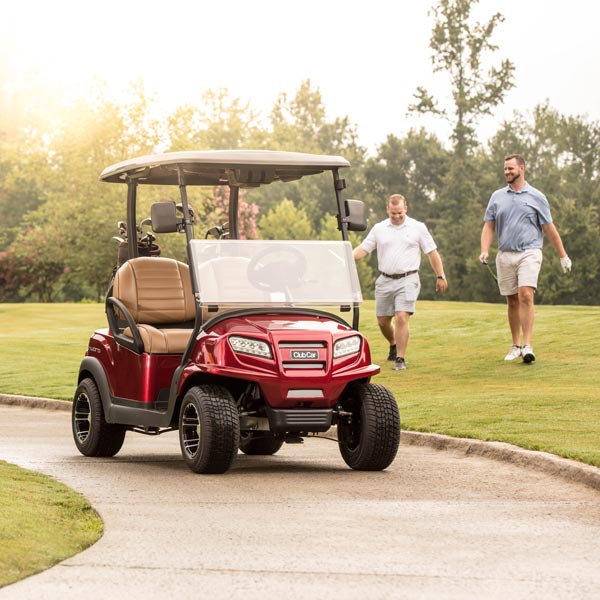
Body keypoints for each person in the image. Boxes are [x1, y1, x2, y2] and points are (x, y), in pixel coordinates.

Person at [479, 154, 572, 364]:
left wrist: (563, 255)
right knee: (511, 300)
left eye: (510, 168)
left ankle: (528, 346)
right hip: (505, 254)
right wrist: (484, 250)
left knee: (525, 295)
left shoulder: (537, 196)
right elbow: (489, 225)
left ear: (522, 168)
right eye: (505, 169)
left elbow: (549, 228)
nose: (507, 172)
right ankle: (515, 345)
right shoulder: (497, 197)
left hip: (529, 252)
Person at [353, 193, 448, 371]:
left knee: (402, 317)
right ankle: (393, 343)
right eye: (393, 213)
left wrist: (440, 275)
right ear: (387, 210)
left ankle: (400, 358)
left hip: (408, 279)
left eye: (400, 213)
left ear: (406, 208)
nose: (396, 217)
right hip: (385, 280)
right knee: (382, 321)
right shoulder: (379, 228)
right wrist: (348, 257)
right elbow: (364, 249)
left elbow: (432, 252)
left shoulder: (418, 227)